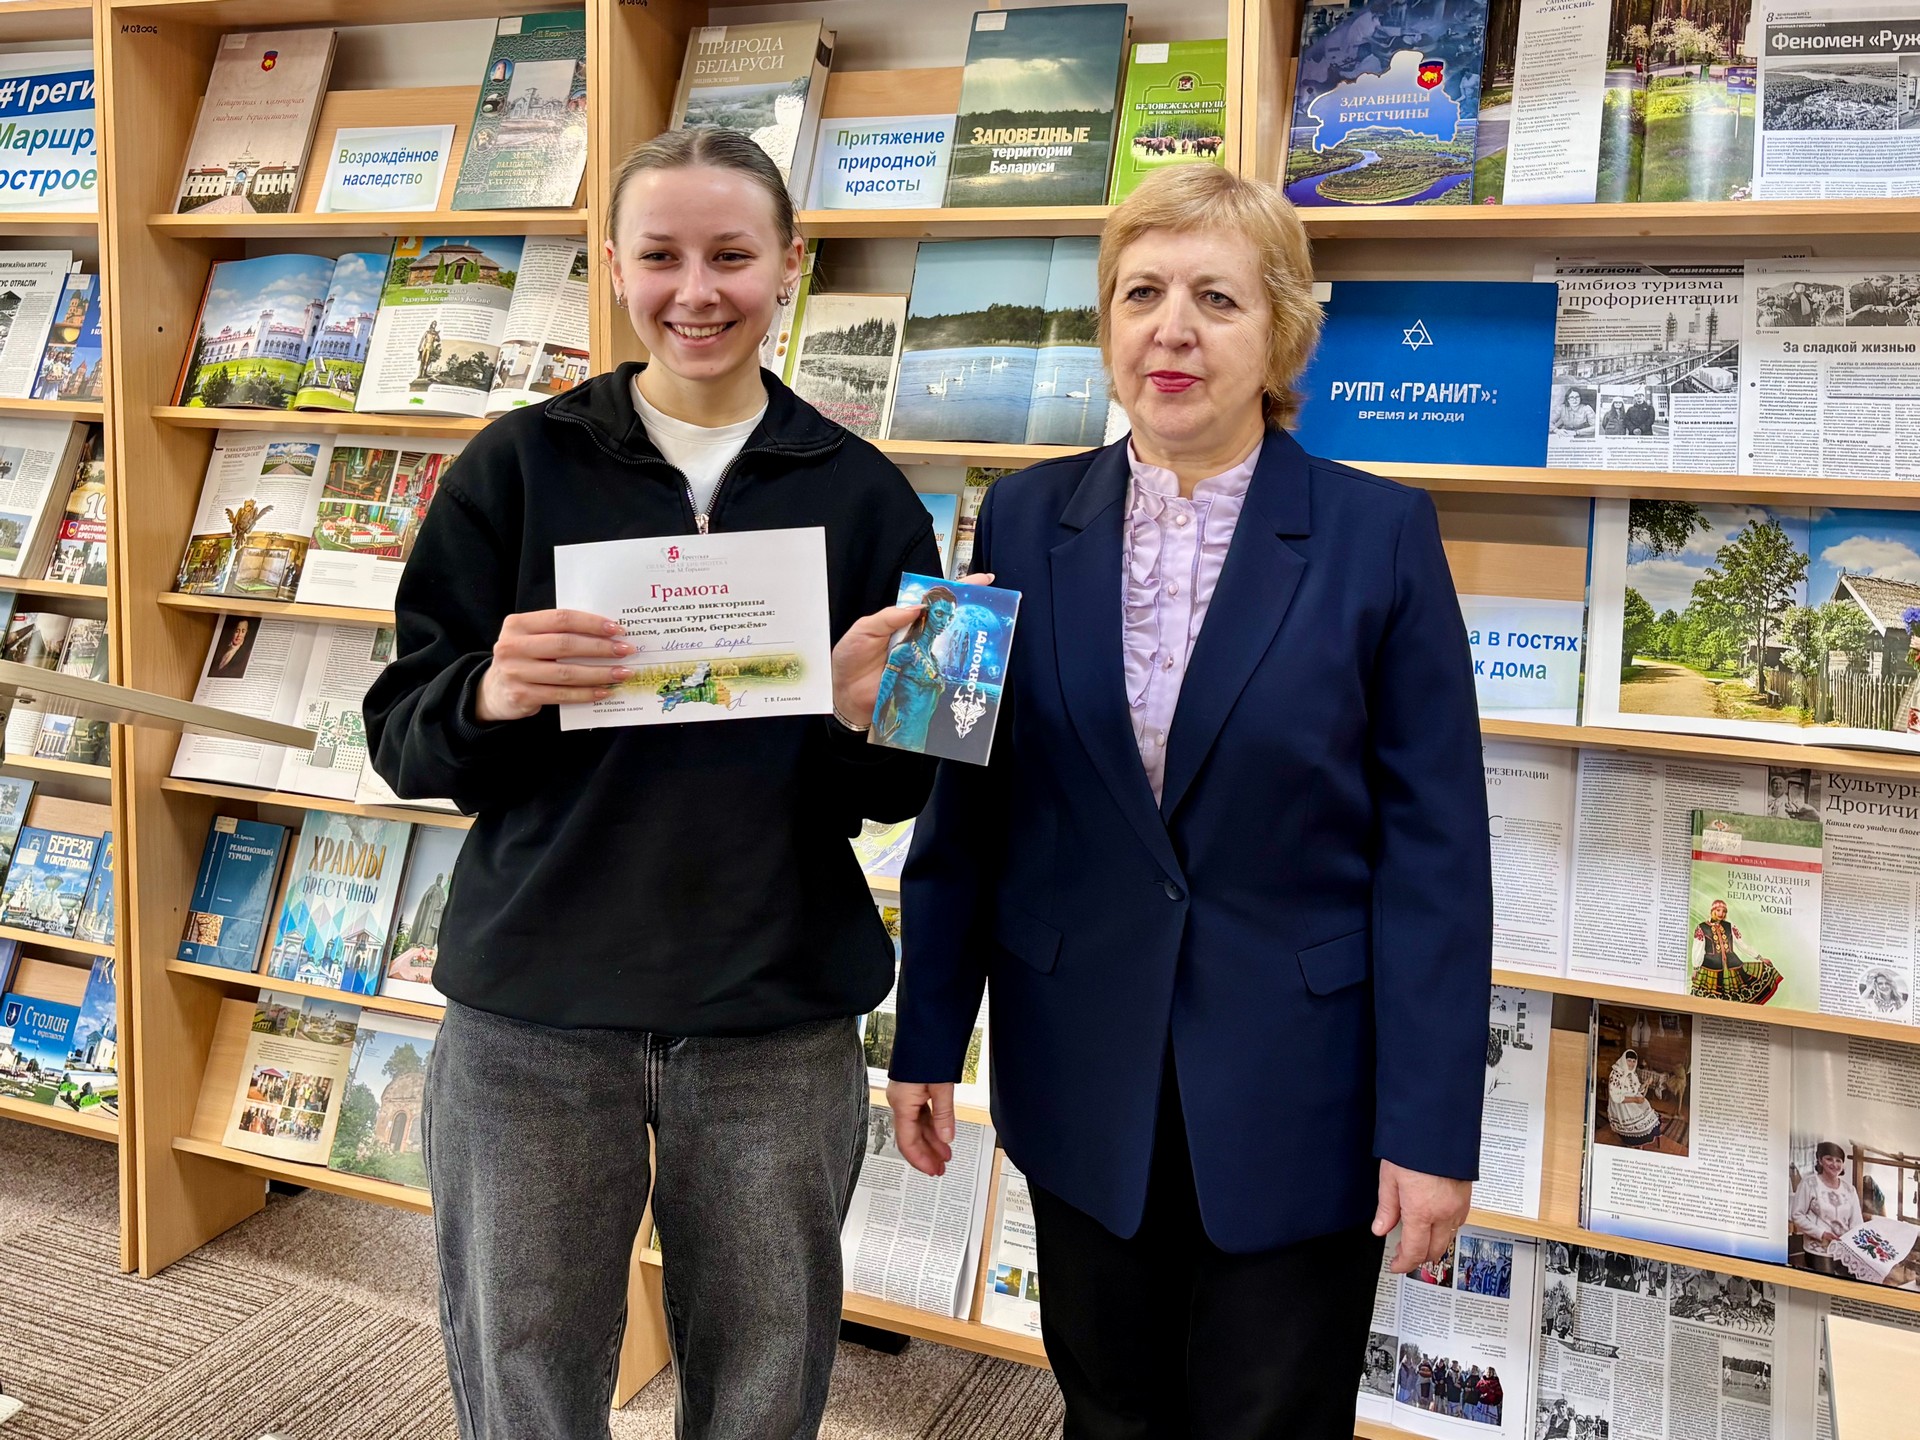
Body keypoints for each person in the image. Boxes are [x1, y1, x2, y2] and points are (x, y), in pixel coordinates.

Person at [885, 164, 1489, 1438]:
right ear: (1106, 322)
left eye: (1217, 298)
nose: (1172, 330)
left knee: (1272, 1418)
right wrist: (926, 1036)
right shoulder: (1016, 513)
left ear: (1281, 332)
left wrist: (1433, 1128)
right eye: (1141, 293)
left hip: (1300, 1089)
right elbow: (962, 801)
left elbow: (1437, 856)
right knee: (1108, 1409)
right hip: (1077, 1067)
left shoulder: (1383, 534)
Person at [362, 127, 946, 1440]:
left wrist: (863, 721)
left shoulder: (867, 498)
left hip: (773, 1014)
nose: (697, 291)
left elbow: (902, 792)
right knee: (522, 1376)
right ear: (612, 265)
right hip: (534, 1015)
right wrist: (490, 693)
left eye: (731, 256)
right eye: (662, 256)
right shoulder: (515, 468)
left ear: (788, 265)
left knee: (763, 1385)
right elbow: (403, 738)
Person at [1691, 898, 1785, 1004]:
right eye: (1718, 910)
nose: (1721, 914)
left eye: (1724, 911)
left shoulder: (1730, 926)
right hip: (1710, 968)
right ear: (1712, 911)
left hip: (1732, 966)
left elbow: (1742, 945)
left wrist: (1760, 957)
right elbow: (1697, 950)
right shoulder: (1701, 928)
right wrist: (1696, 968)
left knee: (1734, 1000)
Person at [1792, 1140, 1864, 1275]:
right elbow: (1797, 1215)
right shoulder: (1809, 1183)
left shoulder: (1850, 1189)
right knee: (1825, 1284)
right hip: (1818, 1249)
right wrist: (1821, 1234)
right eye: (1829, 1159)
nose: (1834, 1164)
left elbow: (1857, 1222)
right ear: (1820, 1160)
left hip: (1844, 1250)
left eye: (1838, 1161)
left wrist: (1854, 1244)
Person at [1606, 1048, 1664, 1146]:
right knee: (1641, 1127)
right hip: (1622, 1105)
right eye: (1629, 1061)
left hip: (1634, 1101)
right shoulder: (1616, 1074)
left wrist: (1646, 1083)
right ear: (1623, 1060)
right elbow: (1616, 1097)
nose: (1632, 1064)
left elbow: (1637, 1090)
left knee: (1653, 1119)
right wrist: (1635, 1099)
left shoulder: (1633, 1074)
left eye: (1634, 1061)